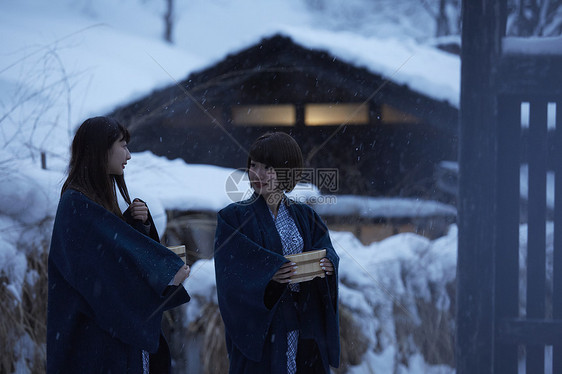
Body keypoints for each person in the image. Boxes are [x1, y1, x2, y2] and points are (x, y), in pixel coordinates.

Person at [47, 116, 190, 374]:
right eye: (122, 145)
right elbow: (101, 273)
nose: (129, 154)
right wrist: (163, 271)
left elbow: (108, 254)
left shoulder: (91, 202)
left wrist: (138, 225)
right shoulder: (75, 205)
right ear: (101, 149)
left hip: (110, 340)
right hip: (95, 344)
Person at [214, 132, 340, 374]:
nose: (258, 174)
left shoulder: (305, 215)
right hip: (263, 325)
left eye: (268, 168)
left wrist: (327, 264)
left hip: (303, 320)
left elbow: (326, 250)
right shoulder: (233, 218)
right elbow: (230, 272)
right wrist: (268, 273)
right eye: (253, 166)